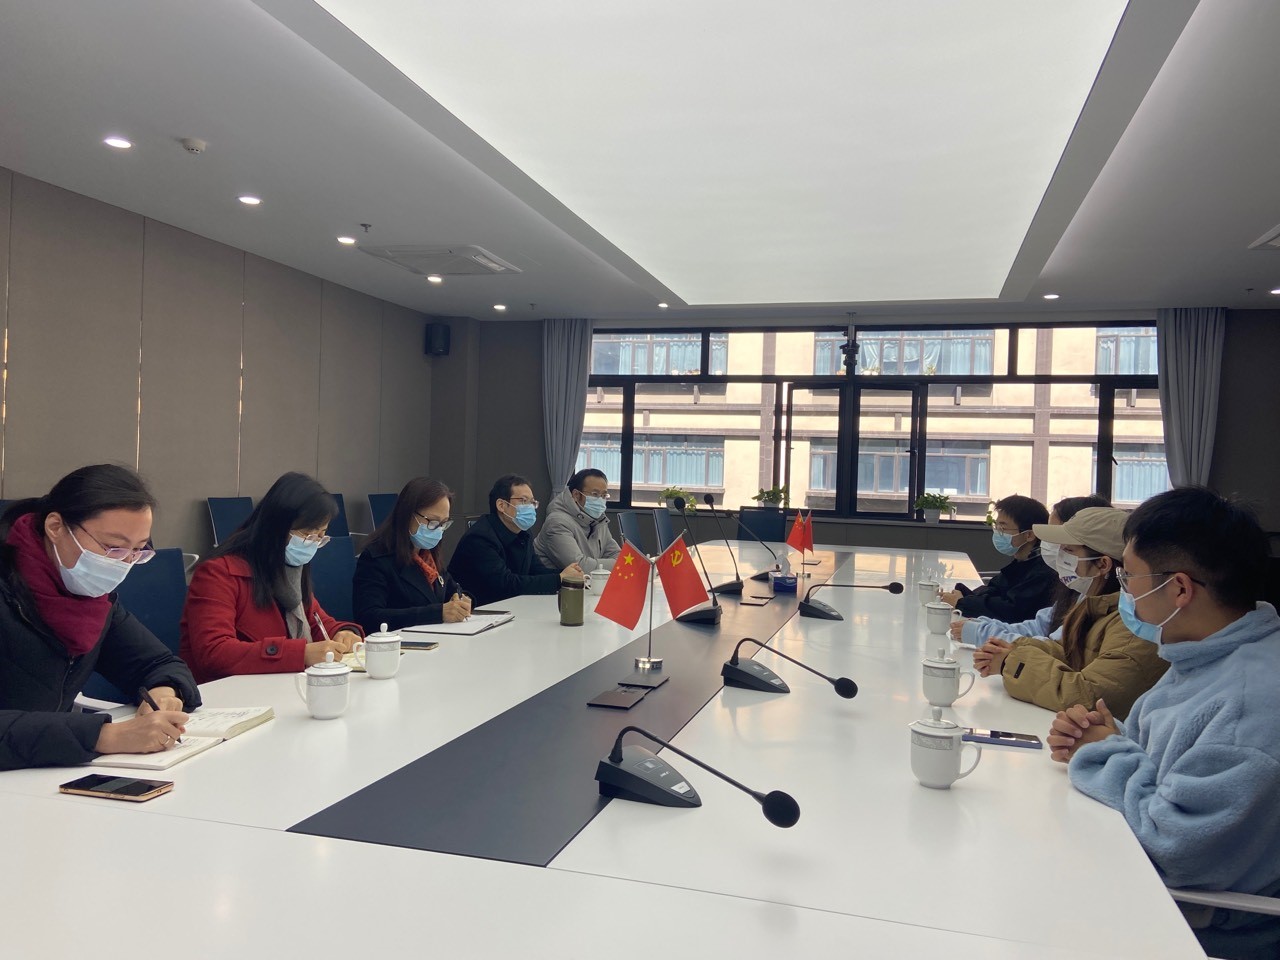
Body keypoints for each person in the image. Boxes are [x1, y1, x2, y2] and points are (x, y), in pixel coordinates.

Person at [1048, 489, 1280, 960]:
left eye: (1129, 577)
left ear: (1179, 589)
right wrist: (1100, 735)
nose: (1124, 591)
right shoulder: (1206, 652)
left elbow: (1178, 848)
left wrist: (1102, 751)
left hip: (1196, 928)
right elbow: (1154, 755)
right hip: (1142, 886)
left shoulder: (1247, 706)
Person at [0, 464, 199, 770]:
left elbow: (158, 663)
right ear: (56, 527)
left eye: (137, 551)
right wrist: (103, 736)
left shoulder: (92, 603)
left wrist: (164, 691)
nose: (123, 564)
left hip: (42, 773)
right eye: (113, 548)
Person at [973, 506, 1166, 719]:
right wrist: (1012, 648)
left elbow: (1090, 697)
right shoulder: (1094, 603)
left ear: (1103, 564)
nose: (1059, 556)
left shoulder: (1134, 624)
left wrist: (1011, 662)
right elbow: (1069, 652)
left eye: (1069, 551)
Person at [180, 472, 362, 683]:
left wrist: (344, 632)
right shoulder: (218, 574)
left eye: (321, 536)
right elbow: (214, 652)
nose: (313, 543)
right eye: (308, 535)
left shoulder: (291, 570)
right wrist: (299, 654)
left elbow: (317, 621)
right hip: (230, 692)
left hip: (282, 686)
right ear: (277, 527)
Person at [952, 494, 1111, 647]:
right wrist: (981, 625)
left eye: (1067, 547)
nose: (1053, 547)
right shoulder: (1077, 591)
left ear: (1102, 563)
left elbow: (1053, 647)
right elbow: (1039, 626)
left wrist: (981, 631)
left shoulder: (1104, 607)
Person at [353, 477, 470, 634]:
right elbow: (369, 617)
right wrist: (437, 613)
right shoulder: (377, 558)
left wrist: (461, 599)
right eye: (433, 522)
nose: (438, 530)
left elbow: (452, 589)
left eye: (443, 524)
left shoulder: (428, 554)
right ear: (408, 515)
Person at [447, 474, 583, 608]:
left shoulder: (523, 532)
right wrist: (559, 579)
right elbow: (506, 584)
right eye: (523, 501)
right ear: (501, 505)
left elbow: (535, 570)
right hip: (478, 611)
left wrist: (567, 574)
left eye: (532, 502)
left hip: (509, 606)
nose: (530, 507)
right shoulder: (480, 538)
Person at [939, 494, 1056, 622]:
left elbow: (1011, 611)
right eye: (997, 527)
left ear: (1029, 535)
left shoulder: (1042, 571)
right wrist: (962, 596)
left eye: (1003, 528)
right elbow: (994, 590)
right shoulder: (1022, 562)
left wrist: (961, 602)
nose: (998, 533)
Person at [534, 468, 621, 574]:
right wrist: (619, 565)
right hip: (557, 583)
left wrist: (620, 563)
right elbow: (580, 567)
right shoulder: (556, 523)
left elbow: (616, 554)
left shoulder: (598, 520)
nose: (600, 500)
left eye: (604, 495)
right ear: (576, 495)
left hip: (588, 582)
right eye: (595, 494)